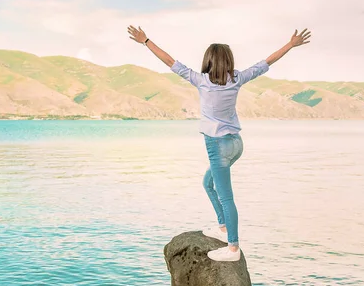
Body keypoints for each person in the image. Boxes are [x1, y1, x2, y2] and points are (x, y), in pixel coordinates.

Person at [127, 25, 312, 262]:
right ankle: (223, 228)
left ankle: (232, 247)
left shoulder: (201, 80)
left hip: (217, 147)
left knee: (226, 197)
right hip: (235, 144)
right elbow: (266, 62)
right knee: (208, 183)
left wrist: (146, 41)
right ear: (228, 61)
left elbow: (169, 61)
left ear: (208, 60)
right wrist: (290, 44)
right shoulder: (237, 78)